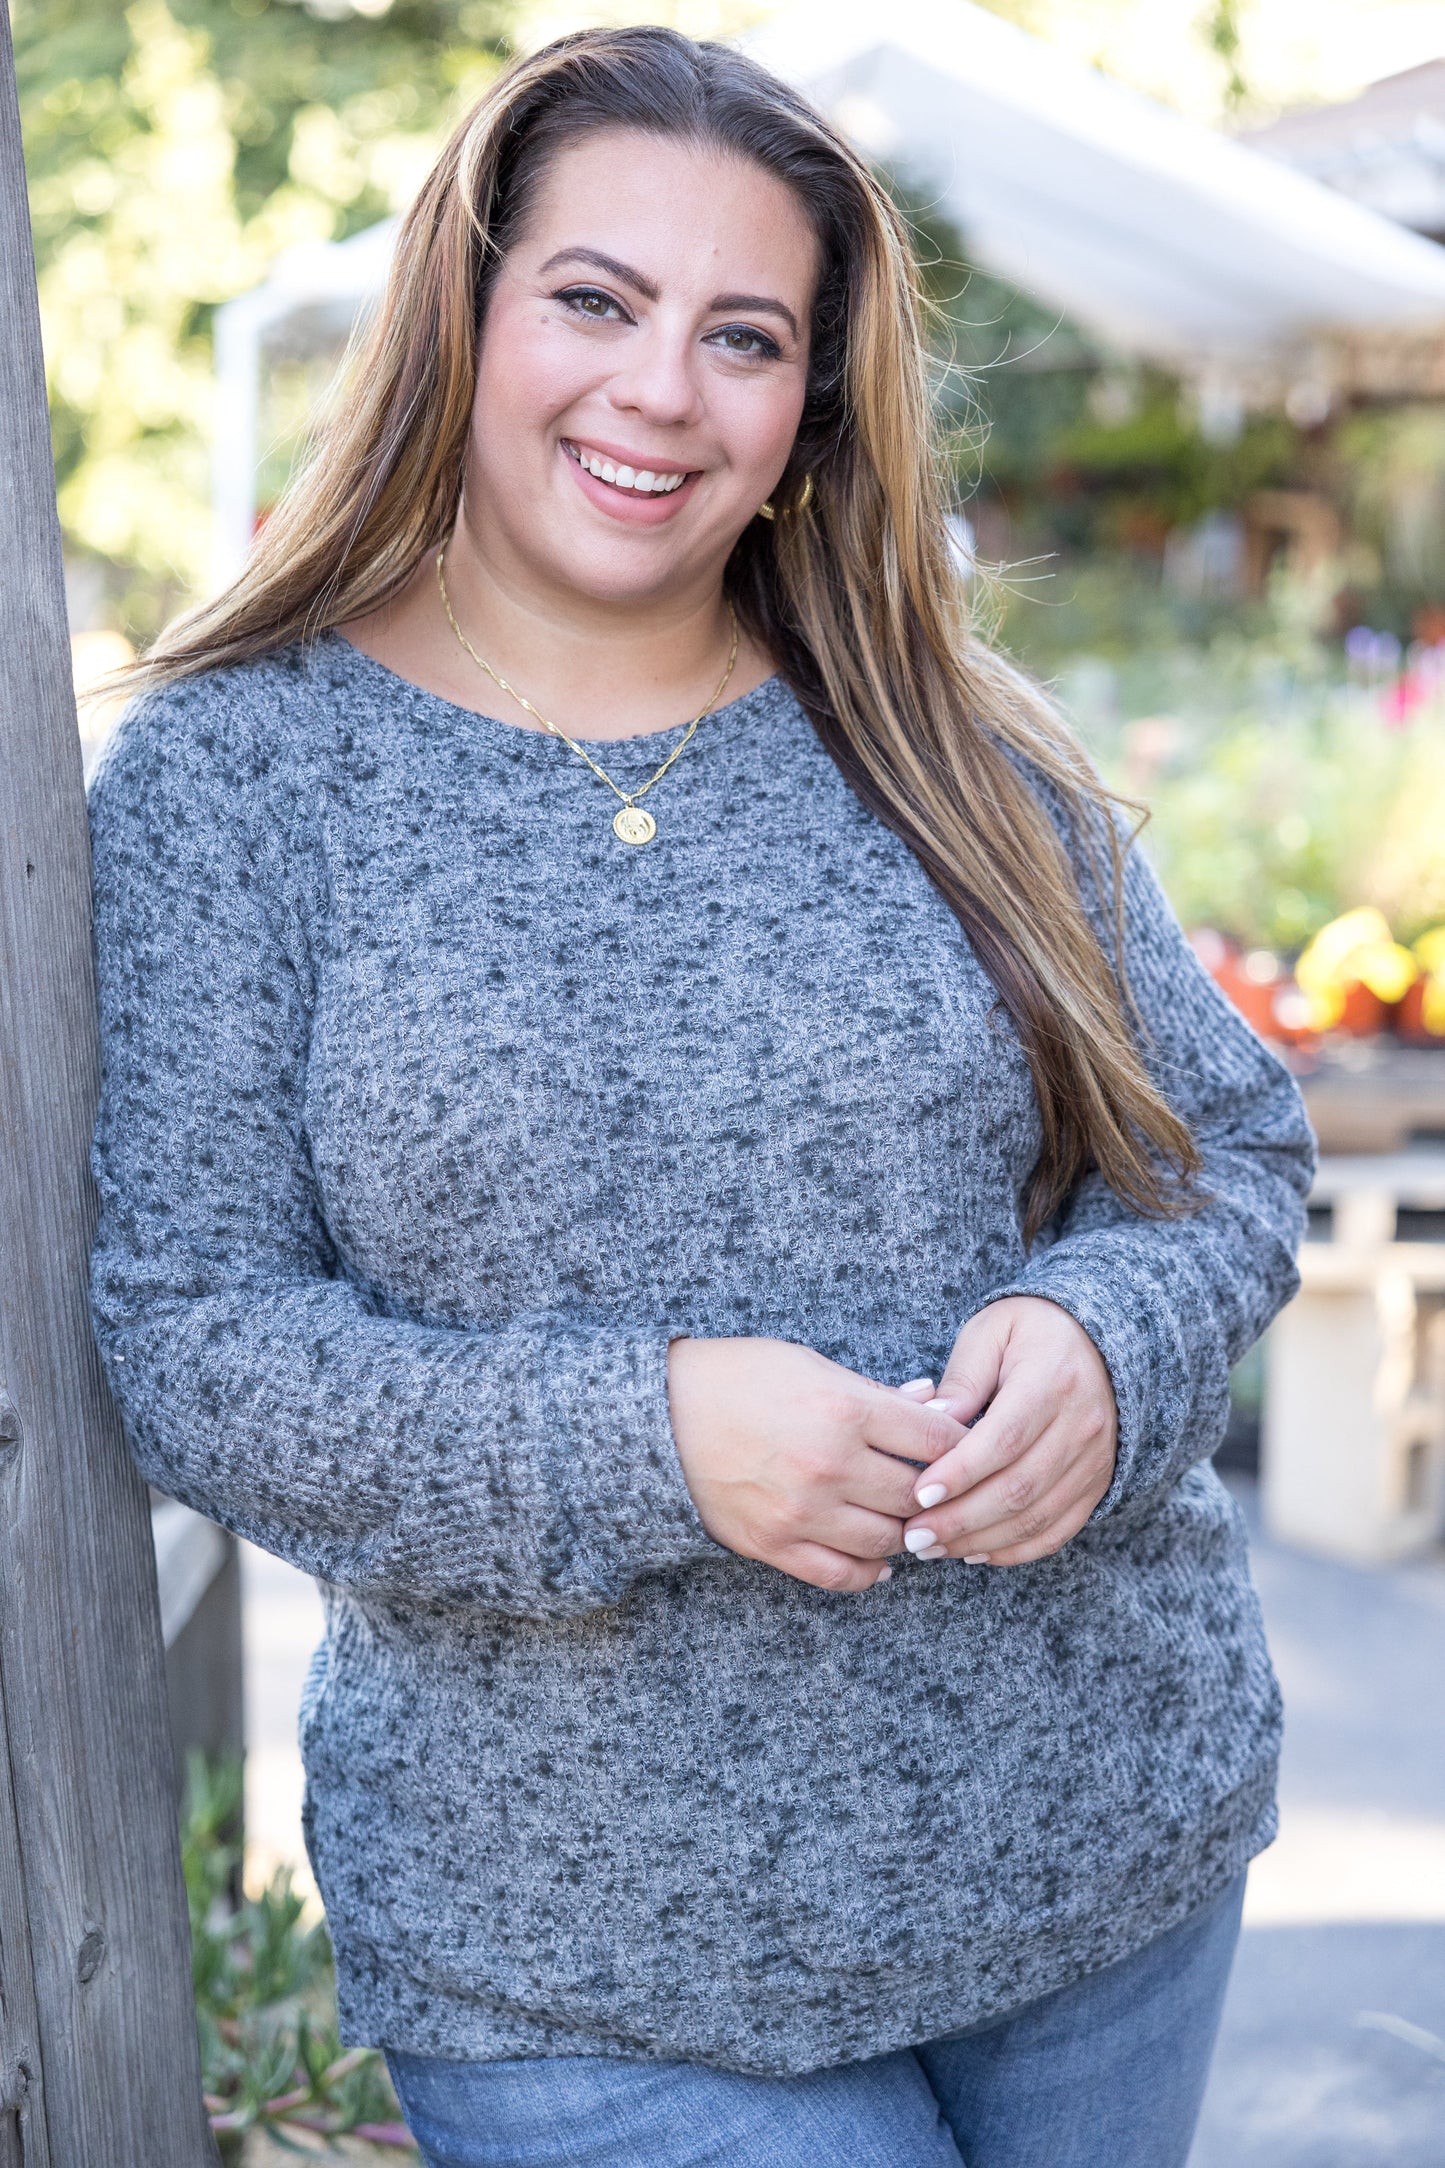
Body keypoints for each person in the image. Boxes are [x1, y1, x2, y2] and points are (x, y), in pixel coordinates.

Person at [88, 26, 1315, 2167]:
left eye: (745, 336)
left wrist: (1102, 1345)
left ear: (810, 408)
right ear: (464, 314)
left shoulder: (946, 736)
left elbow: (1215, 1156)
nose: (661, 390)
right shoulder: (239, 776)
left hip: (1096, 1857)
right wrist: (650, 1436)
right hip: (573, 1965)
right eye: (594, 299)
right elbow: (195, 1342)